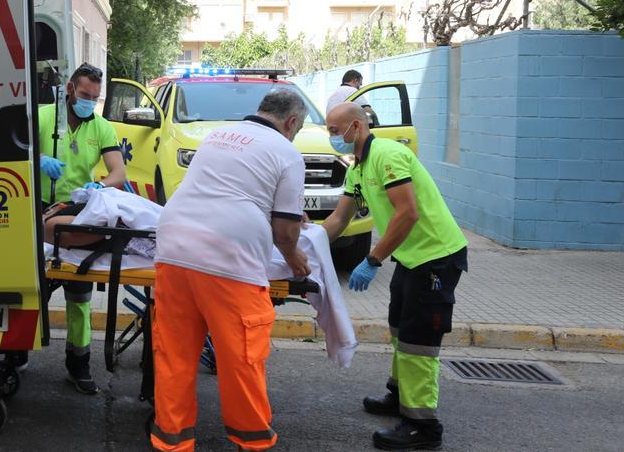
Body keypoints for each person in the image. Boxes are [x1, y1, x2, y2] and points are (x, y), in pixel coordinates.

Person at [150, 89, 312, 451]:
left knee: (174, 354)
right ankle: (251, 442)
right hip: (228, 260)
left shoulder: (218, 136)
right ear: (291, 122)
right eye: (297, 129)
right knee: (241, 357)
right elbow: (285, 233)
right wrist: (295, 258)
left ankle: (171, 443)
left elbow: (230, 187)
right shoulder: (287, 152)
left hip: (174, 246)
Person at [321, 102, 468, 451]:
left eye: (333, 130)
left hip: (436, 257)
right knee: (400, 328)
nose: (332, 137)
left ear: (355, 126)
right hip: (410, 258)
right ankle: (400, 396)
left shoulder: (387, 155)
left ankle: (423, 426)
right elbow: (339, 220)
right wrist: (302, 246)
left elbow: (408, 214)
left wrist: (373, 259)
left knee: (419, 339)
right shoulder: (358, 168)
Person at [37, 62, 127, 394]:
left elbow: (118, 171)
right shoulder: (44, 117)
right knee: (32, 294)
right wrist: (38, 161)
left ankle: (79, 363)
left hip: (78, 214)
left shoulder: (100, 127)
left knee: (80, 298)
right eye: (86, 95)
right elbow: (14, 154)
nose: (90, 102)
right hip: (40, 213)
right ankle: (13, 353)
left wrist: (103, 186)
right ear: (71, 90)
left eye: (96, 97)